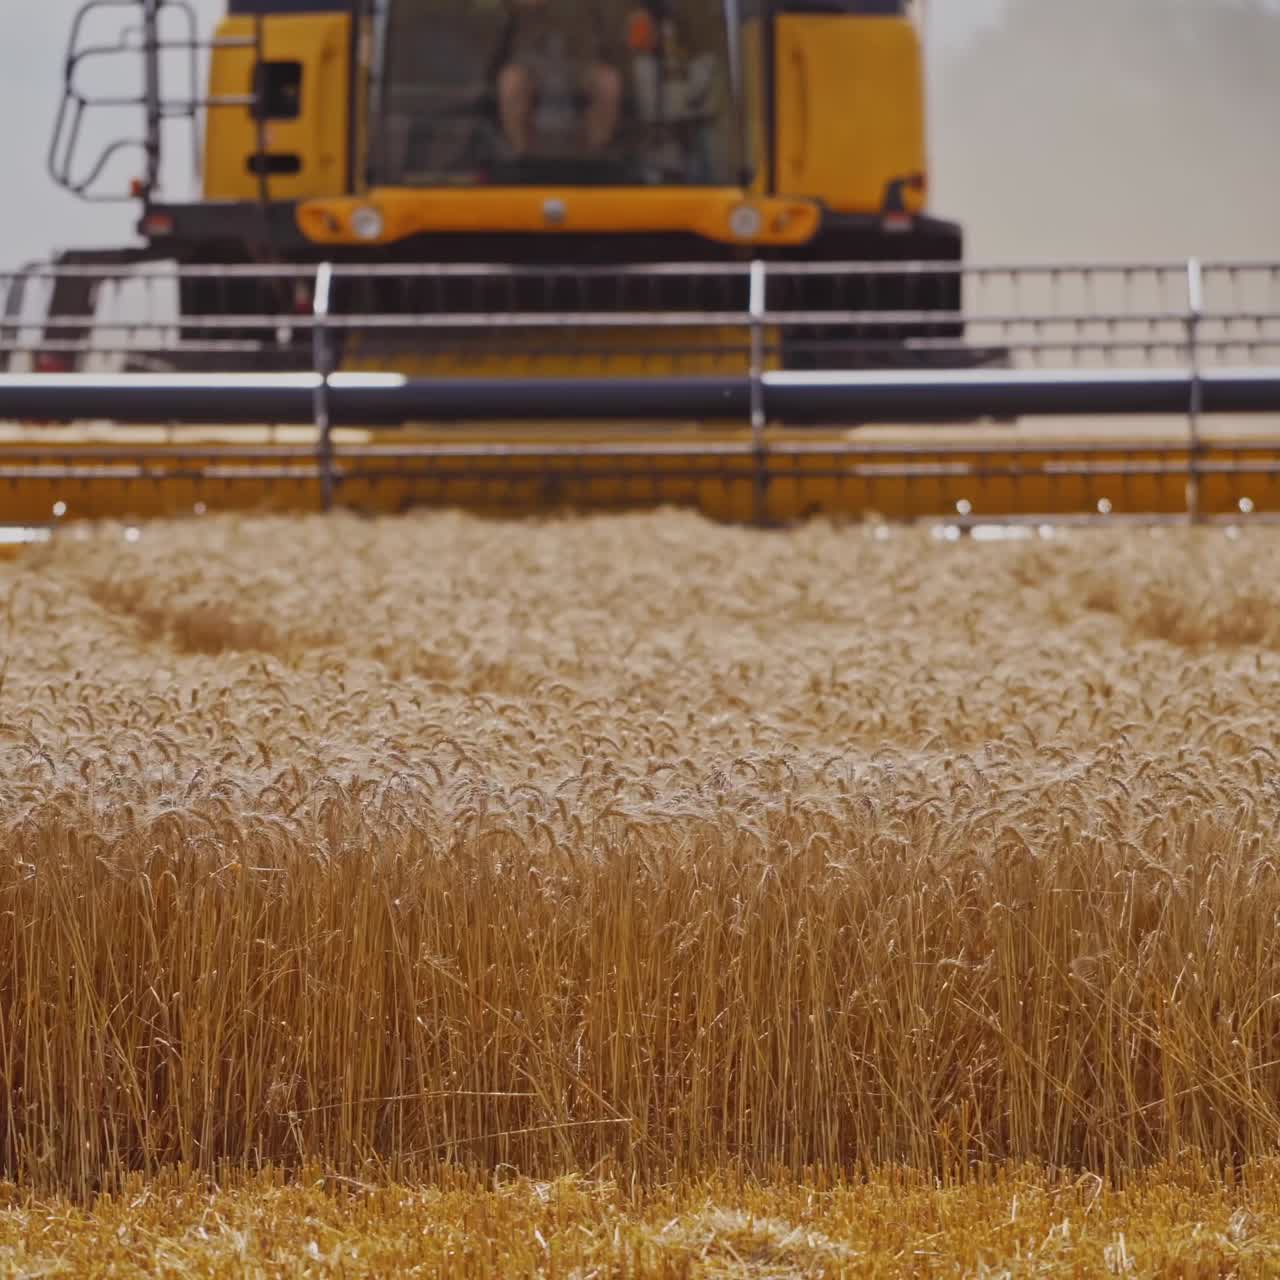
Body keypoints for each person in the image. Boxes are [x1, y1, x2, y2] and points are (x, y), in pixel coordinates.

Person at [497, 0, 624, 155]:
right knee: (510, 83)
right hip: (531, 59)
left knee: (609, 83)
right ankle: (521, 156)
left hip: (581, 59)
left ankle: (595, 155)